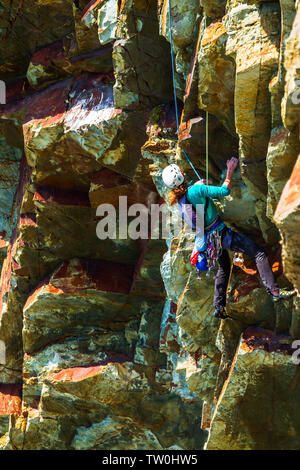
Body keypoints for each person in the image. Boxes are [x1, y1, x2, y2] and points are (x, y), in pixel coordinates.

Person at [162, 158, 296, 319]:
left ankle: (219, 306)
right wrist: (230, 169)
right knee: (258, 253)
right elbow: (225, 190)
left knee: (224, 267)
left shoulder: (181, 201)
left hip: (210, 242)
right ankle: (274, 291)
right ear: (182, 175)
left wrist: (198, 186)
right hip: (222, 235)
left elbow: (194, 200)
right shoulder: (196, 191)